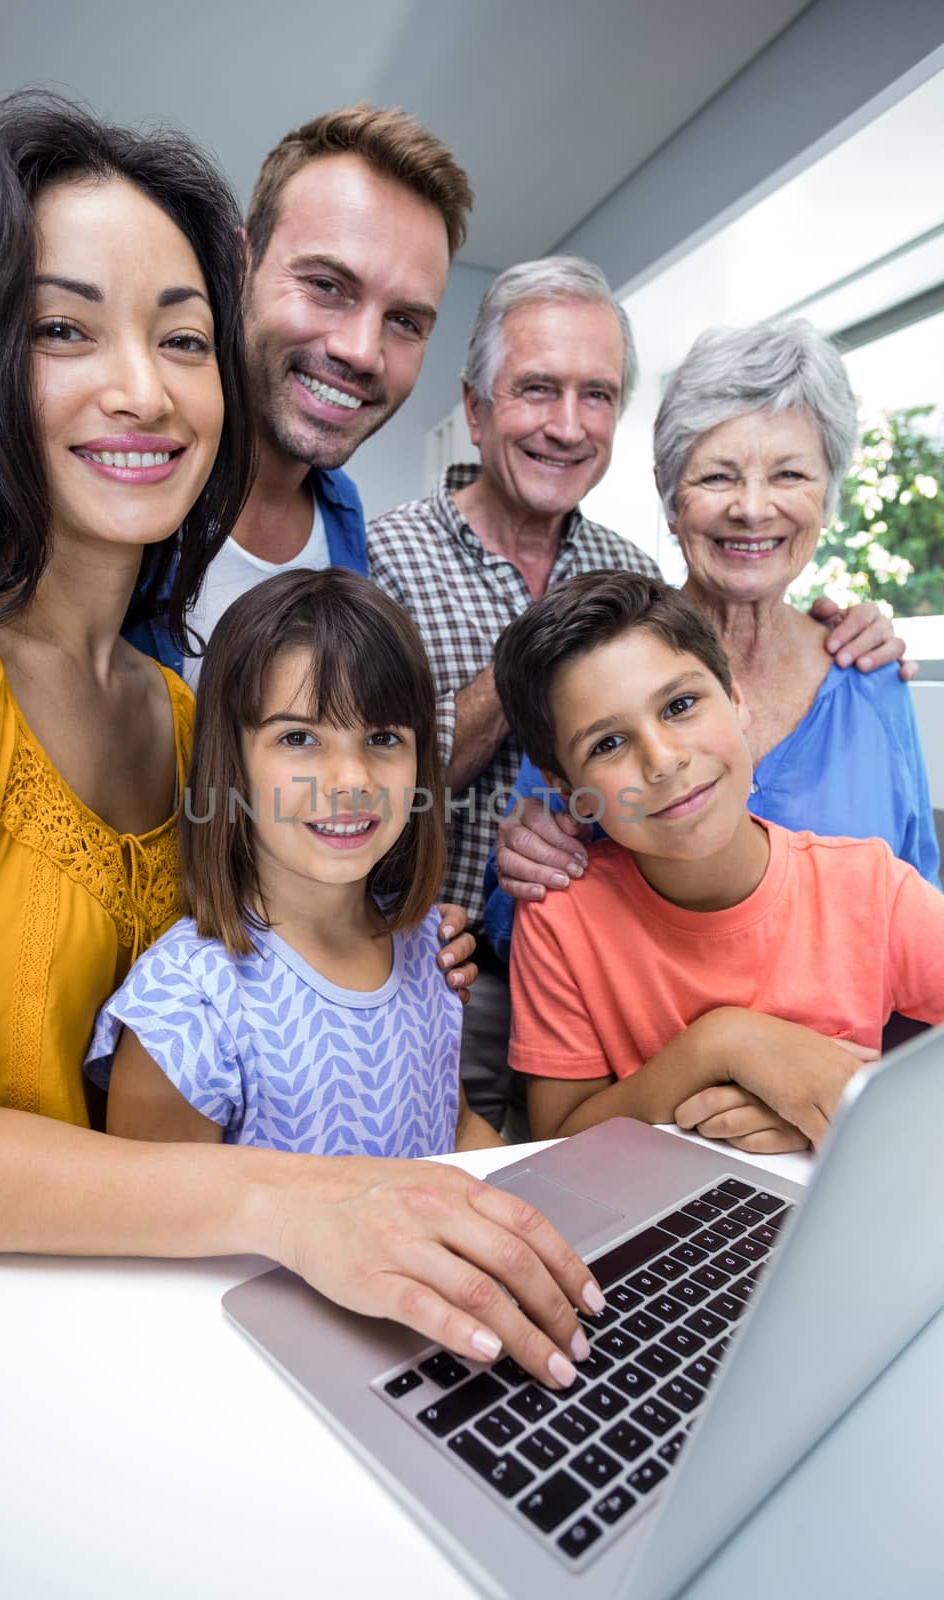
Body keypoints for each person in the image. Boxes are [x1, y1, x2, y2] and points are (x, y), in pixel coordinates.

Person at [0, 95, 604, 1391]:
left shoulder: (181, 703)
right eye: (61, 328)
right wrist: (286, 1202)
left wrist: (376, 922)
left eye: (179, 340)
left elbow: (272, 896)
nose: (141, 387)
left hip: (184, 1332)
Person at [368, 264, 904, 1129]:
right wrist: (549, 646)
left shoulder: (641, 580)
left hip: (812, 1092)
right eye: (537, 389)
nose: (568, 424)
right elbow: (369, 778)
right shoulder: (390, 558)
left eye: (597, 396)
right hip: (473, 987)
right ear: (474, 409)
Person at [489, 317, 937, 957]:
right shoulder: (598, 666)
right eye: (719, 476)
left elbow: (920, 899)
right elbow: (521, 918)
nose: (753, 508)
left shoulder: (872, 675)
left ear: (829, 498)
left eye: (789, 475)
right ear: (669, 497)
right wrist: (527, 862)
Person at [492, 571, 944, 1150]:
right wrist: (723, 1045)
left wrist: (846, 1100)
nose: (662, 761)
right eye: (607, 744)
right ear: (564, 784)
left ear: (736, 700)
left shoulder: (872, 890)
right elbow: (558, 1140)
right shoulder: (561, 918)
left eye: (680, 705)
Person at [88, 568, 504, 1157]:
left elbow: (457, 1130)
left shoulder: (429, 949)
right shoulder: (185, 1012)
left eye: (384, 738)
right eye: (298, 739)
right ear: (231, 763)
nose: (351, 780)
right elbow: (159, 1234)